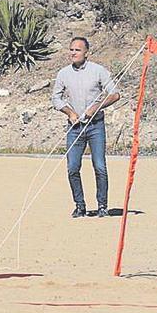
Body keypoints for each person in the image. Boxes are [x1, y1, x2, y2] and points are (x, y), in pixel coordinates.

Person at [51, 37, 122, 218]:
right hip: (74, 128)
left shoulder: (98, 71)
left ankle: (102, 206)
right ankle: (80, 205)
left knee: (99, 166)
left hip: (95, 126)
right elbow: (56, 99)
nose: (73, 53)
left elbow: (114, 94)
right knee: (72, 167)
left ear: (86, 53)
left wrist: (95, 108)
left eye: (77, 50)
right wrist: (69, 112)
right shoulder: (63, 74)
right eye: (71, 49)